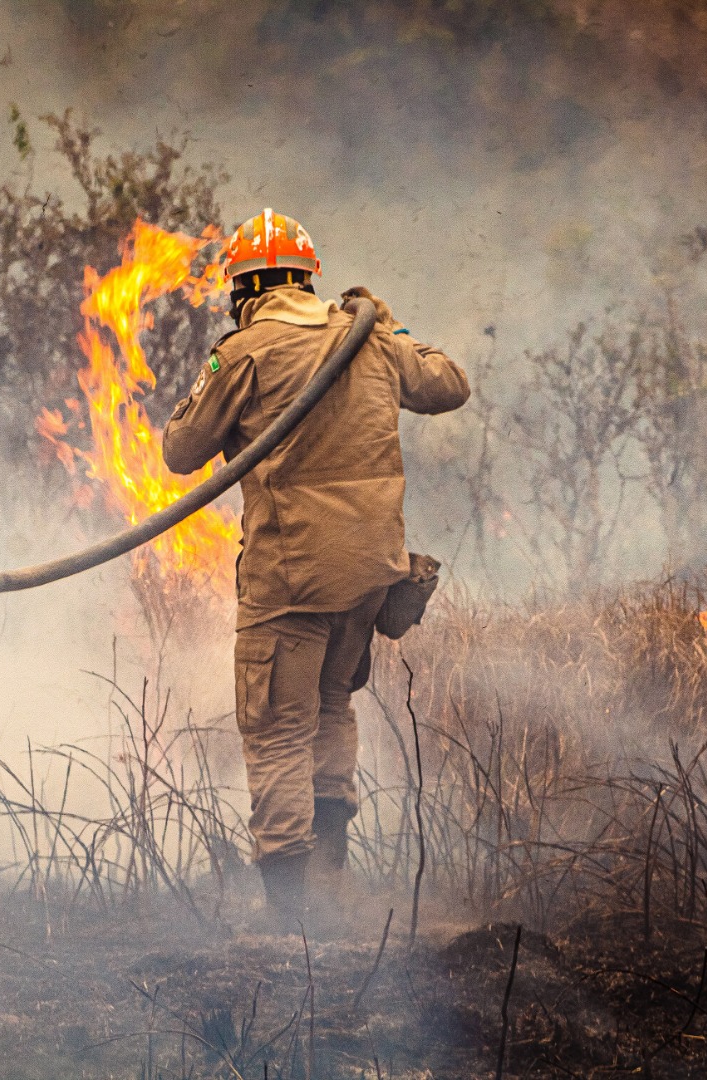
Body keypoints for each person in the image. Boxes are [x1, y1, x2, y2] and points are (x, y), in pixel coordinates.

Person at [162, 209, 469, 925]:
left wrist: (214, 368)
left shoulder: (243, 352)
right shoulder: (369, 343)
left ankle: (291, 913)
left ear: (246, 288)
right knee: (332, 707)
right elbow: (449, 383)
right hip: (368, 579)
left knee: (274, 729)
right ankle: (331, 881)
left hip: (291, 582)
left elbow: (181, 450)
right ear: (306, 279)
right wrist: (384, 326)